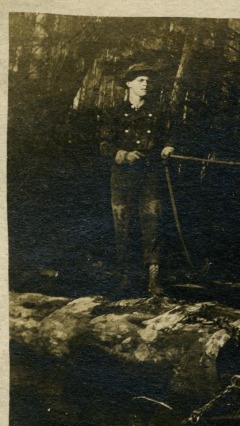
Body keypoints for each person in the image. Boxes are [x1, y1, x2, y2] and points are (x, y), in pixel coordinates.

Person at [99, 63, 175, 296]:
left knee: (153, 221)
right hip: (122, 176)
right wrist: (123, 155)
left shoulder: (159, 112)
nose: (146, 84)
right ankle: (124, 277)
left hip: (150, 175)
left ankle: (153, 279)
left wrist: (169, 147)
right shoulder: (114, 113)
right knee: (123, 223)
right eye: (141, 80)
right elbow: (104, 144)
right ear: (129, 84)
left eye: (148, 81)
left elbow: (170, 135)